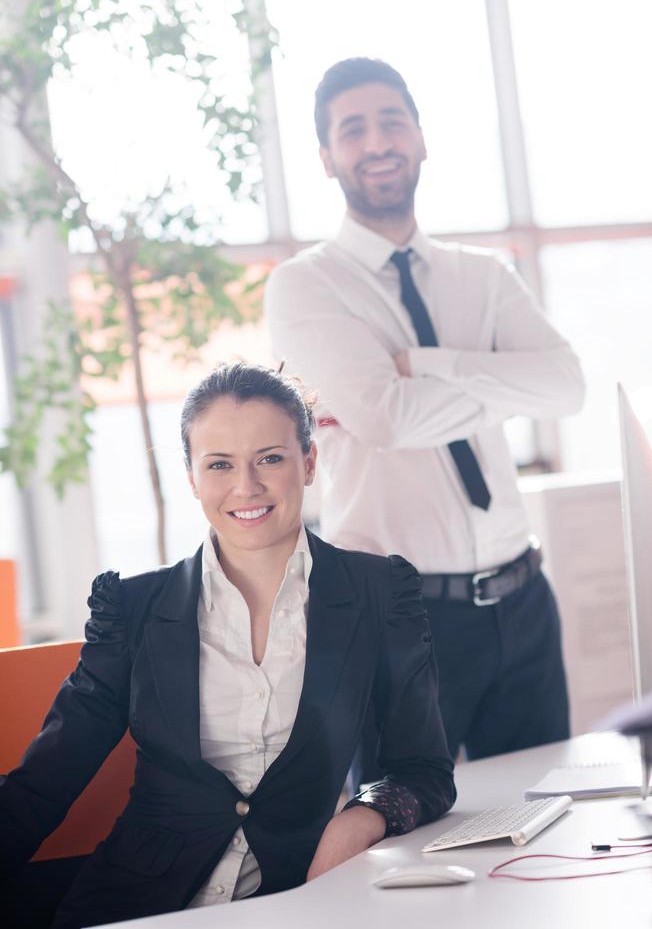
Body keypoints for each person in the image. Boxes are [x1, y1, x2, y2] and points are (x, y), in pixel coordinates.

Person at [0, 362, 455, 929]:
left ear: (309, 462)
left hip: (301, 899)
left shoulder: (380, 593)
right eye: (220, 464)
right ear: (191, 476)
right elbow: (47, 780)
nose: (247, 487)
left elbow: (424, 770)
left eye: (270, 458)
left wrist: (360, 818)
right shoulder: (133, 609)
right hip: (135, 906)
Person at [265, 57, 586, 784]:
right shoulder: (304, 286)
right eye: (353, 129)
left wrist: (432, 365)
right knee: (397, 845)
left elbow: (566, 386)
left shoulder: (484, 275)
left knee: (546, 824)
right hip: (396, 618)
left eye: (392, 121)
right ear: (326, 158)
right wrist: (502, 380)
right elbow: (385, 418)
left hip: (524, 601)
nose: (377, 141)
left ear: (420, 138)